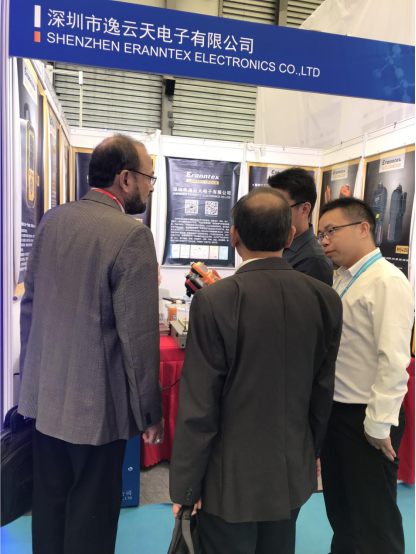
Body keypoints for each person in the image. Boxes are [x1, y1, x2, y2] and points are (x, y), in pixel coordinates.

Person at [169, 187, 343, 554]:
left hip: (228, 477)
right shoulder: (325, 298)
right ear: (290, 235)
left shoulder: (214, 300)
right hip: (291, 470)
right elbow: (322, 390)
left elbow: (199, 404)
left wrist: (186, 485)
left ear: (234, 236)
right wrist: (309, 452)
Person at [18, 134, 164, 554]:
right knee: (92, 518)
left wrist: (31, 384)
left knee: (50, 507)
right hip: (97, 410)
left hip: (45, 402)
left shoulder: (52, 221)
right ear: (125, 178)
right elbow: (138, 339)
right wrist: (149, 413)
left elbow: (31, 307)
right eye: (149, 178)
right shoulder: (132, 236)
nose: (150, 187)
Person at [318, 198, 415, 554]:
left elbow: (394, 360)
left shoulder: (386, 281)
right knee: (342, 512)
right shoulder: (342, 277)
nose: (324, 240)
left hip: (366, 417)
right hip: (337, 412)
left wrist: (378, 423)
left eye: (332, 231)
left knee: (375, 522)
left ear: (363, 228)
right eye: (320, 233)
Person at [269, 167, 333, 285]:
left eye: (279, 208)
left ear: (304, 209)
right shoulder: (276, 246)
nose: (271, 214)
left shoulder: (314, 262)